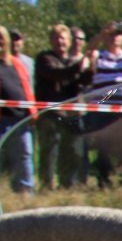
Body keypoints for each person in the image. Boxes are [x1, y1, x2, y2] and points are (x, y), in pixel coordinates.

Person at [85, 21, 122, 187]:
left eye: (118, 34)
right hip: (102, 107)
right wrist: (101, 34)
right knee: (103, 144)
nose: (114, 38)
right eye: (111, 35)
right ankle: (103, 180)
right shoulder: (99, 55)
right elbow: (88, 52)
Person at [33, 24, 94, 190]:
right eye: (56, 38)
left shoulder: (73, 61)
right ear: (51, 41)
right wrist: (79, 65)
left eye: (63, 38)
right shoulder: (44, 58)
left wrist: (91, 67)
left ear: (69, 41)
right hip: (50, 113)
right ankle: (46, 186)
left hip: (71, 114)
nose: (60, 41)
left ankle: (67, 185)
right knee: (49, 151)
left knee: (72, 150)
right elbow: (57, 74)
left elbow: (84, 82)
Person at [0, 22, 36, 193]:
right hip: (2, 118)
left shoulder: (17, 63)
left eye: (1, 38)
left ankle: (25, 193)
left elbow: (26, 88)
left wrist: (33, 111)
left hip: (21, 119)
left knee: (24, 155)